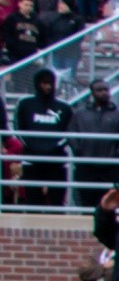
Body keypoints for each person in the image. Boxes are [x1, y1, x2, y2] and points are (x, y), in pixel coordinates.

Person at [16, 68, 71, 207]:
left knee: (57, 201)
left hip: (56, 160)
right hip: (31, 159)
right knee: (33, 199)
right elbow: (19, 128)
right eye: (44, 83)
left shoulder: (64, 107)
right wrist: (34, 147)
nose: (47, 86)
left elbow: (69, 132)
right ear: (37, 83)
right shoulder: (25, 104)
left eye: (50, 83)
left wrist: (52, 148)